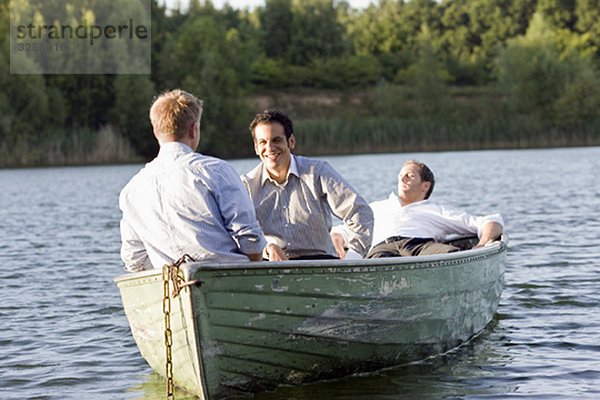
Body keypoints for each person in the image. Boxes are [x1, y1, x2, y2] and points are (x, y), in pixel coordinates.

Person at [119, 89, 267, 272]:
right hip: (227, 279)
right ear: (193, 129)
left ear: (156, 131)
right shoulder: (216, 171)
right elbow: (250, 239)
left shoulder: (131, 190)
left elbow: (135, 259)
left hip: (170, 286)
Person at [241, 110, 373, 261]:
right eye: (263, 142)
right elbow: (240, 233)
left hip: (320, 264)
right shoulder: (246, 185)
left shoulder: (318, 172)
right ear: (256, 148)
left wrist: (352, 258)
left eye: (276, 140)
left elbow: (360, 212)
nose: (270, 148)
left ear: (291, 141)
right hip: (270, 266)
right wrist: (267, 248)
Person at [331, 160, 504, 258]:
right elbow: (343, 231)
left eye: (410, 176)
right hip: (382, 249)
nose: (403, 179)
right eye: (400, 176)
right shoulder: (377, 208)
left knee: (452, 256)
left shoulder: (435, 210)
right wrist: (337, 241)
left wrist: (481, 245)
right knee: (375, 264)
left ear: (425, 186)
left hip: (420, 247)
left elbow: (491, 221)